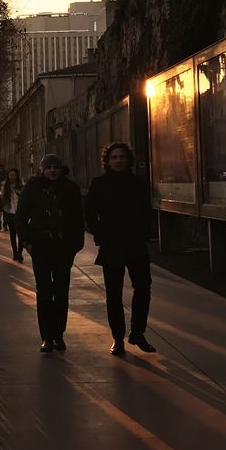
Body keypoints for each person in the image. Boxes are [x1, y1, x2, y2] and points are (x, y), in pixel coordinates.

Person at [85, 142, 154, 357]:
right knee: (113, 294)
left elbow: (146, 211)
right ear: (107, 160)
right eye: (114, 157)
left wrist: (143, 233)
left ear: (128, 160)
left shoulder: (138, 184)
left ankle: (138, 333)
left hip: (135, 243)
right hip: (111, 244)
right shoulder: (98, 184)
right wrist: (100, 235)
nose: (118, 161)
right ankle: (118, 337)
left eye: (122, 157)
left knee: (143, 287)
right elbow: (89, 213)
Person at [16, 154, 84, 353]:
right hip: (41, 248)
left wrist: (75, 245)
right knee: (44, 292)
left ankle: (59, 335)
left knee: (61, 292)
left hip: (64, 249)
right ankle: (46, 336)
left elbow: (77, 218)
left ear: (62, 169)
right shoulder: (32, 188)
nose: (53, 170)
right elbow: (21, 217)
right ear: (42, 169)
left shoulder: (70, 189)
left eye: (56, 167)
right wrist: (27, 242)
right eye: (49, 167)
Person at [0, 167, 25, 262]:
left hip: (19, 213)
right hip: (9, 212)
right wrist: (0, 209)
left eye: (14, 175)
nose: (12, 177)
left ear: (17, 176)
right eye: (10, 175)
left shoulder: (22, 186)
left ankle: (20, 253)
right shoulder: (4, 186)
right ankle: (15, 253)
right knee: (12, 234)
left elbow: (25, 199)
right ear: (8, 176)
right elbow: (1, 198)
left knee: (21, 234)